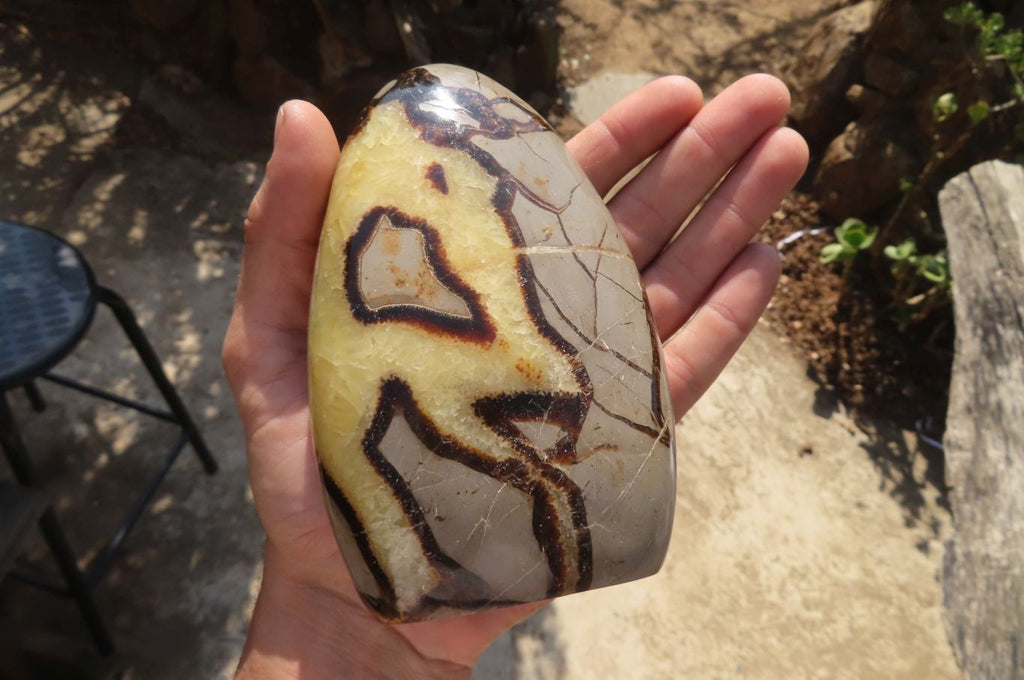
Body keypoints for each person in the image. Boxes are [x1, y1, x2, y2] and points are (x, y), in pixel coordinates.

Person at [222, 73, 808, 679]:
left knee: (548, 480)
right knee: (543, 483)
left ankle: (476, 543)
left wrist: (545, 366)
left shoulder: (469, 188)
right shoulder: (415, 209)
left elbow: (502, 290)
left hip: (475, 355)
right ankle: (434, 557)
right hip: (424, 366)